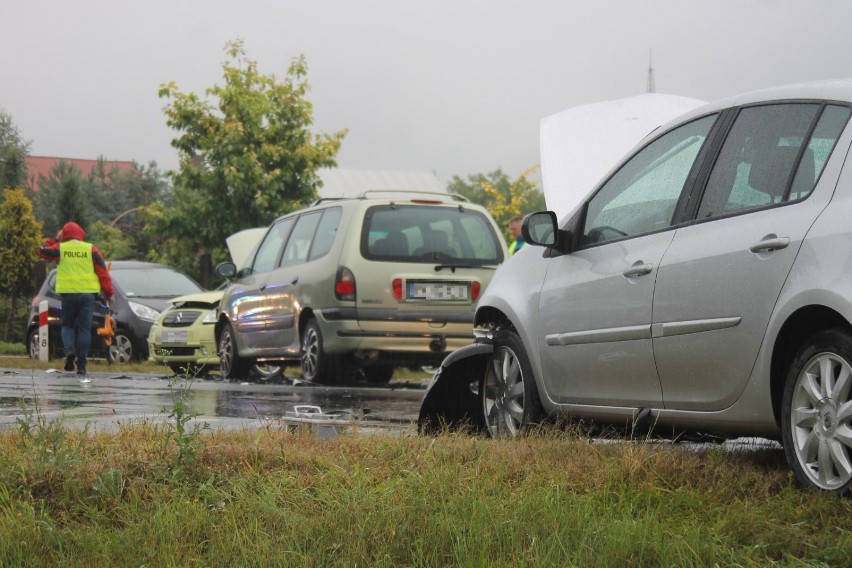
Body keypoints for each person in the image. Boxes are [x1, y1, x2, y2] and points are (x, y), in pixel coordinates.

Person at [38, 221, 114, 378]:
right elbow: (102, 273)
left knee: (67, 325)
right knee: (84, 329)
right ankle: (82, 366)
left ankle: (69, 351)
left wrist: (56, 239)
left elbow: (42, 252)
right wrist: (109, 293)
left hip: (69, 295)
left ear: (64, 234)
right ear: (81, 234)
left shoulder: (61, 248)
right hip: (88, 295)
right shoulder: (91, 249)